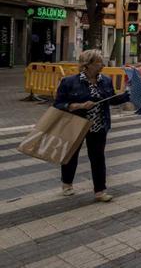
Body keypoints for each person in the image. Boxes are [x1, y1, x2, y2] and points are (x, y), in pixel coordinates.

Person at [54, 49, 130, 201]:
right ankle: (67, 183)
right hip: (76, 124)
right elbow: (58, 104)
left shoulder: (106, 80)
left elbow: (111, 100)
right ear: (86, 65)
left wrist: (129, 95)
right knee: (71, 155)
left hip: (98, 125)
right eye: (98, 62)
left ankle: (100, 191)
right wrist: (79, 106)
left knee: (98, 157)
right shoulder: (69, 82)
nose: (102, 65)